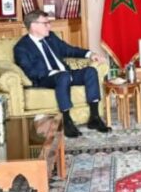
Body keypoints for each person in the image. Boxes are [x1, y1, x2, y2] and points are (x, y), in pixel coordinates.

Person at [13, 10, 111, 139]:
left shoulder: (51, 37)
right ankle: (67, 120)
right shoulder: (21, 47)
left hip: (65, 73)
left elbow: (68, 50)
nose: (49, 26)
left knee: (90, 71)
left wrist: (90, 54)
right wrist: (55, 72)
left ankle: (94, 117)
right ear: (34, 25)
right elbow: (30, 71)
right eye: (45, 23)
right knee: (63, 77)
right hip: (46, 78)